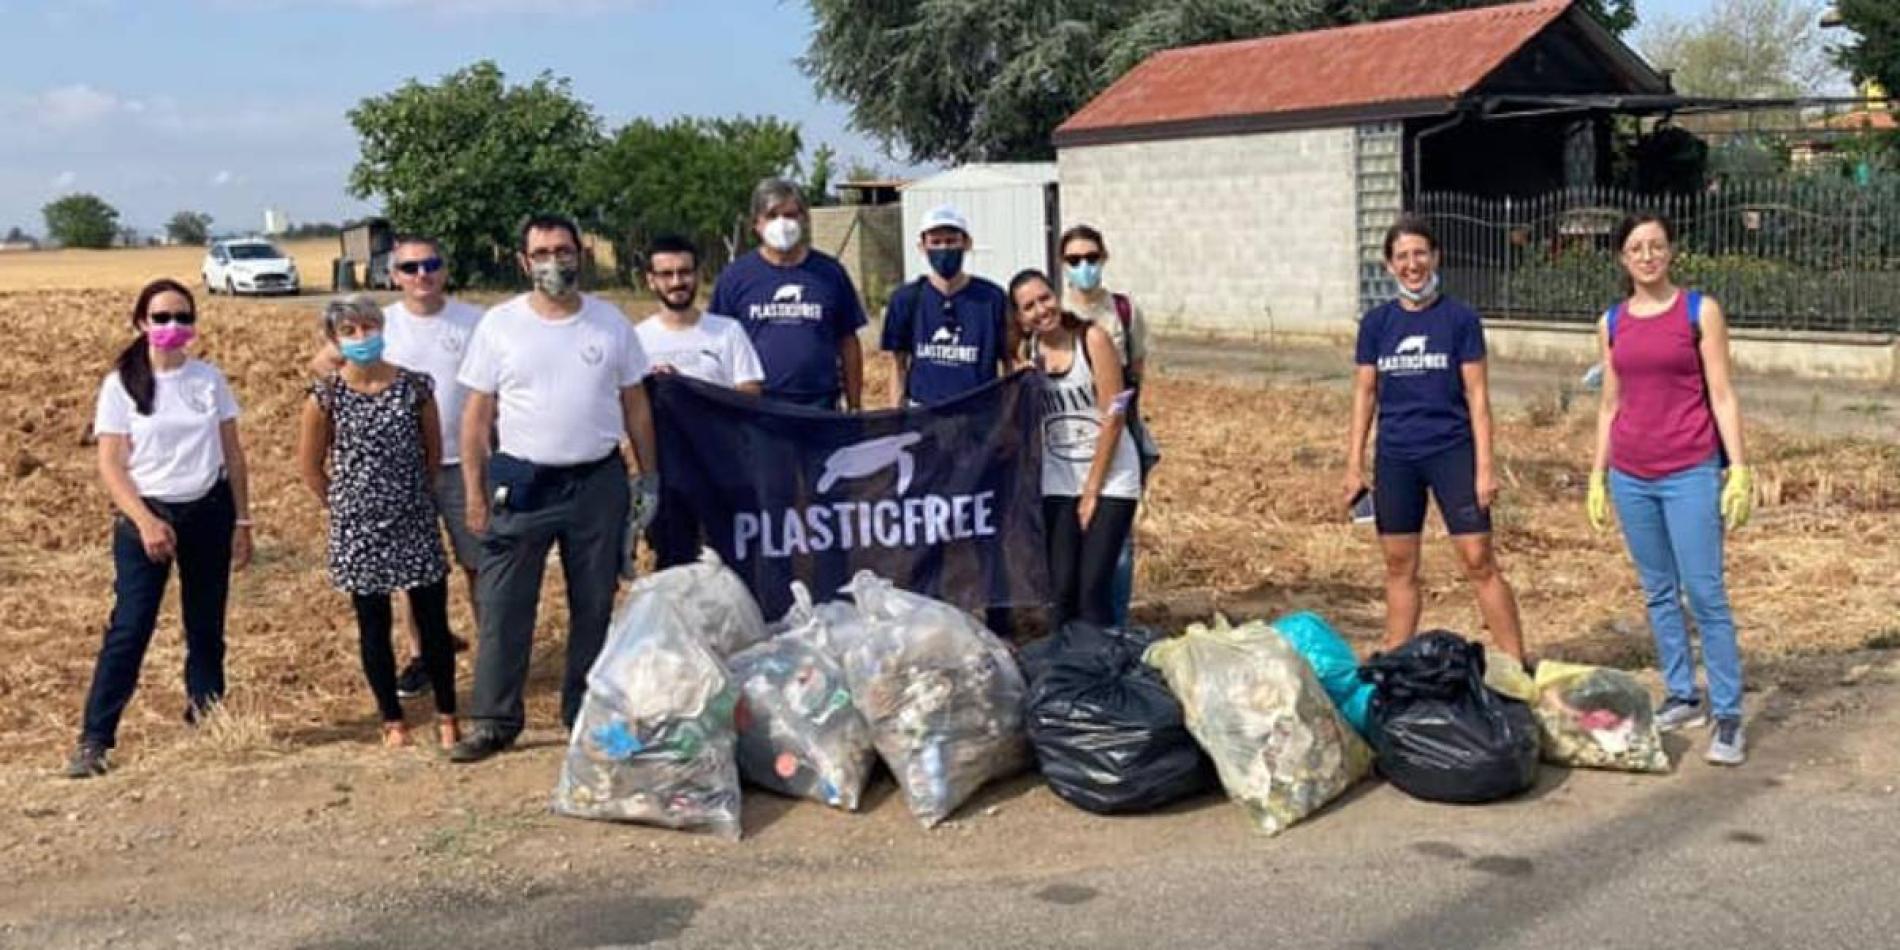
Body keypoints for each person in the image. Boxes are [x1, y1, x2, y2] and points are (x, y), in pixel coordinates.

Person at [450, 214, 659, 763]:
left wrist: (647, 476)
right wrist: (474, 491)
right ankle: (494, 721)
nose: (553, 262)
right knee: (503, 606)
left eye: (562, 251)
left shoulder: (610, 323)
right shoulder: (499, 325)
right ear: (523, 262)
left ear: (580, 255)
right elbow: (475, 418)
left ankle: (583, 711)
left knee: (594, 603)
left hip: (597, 481)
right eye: (541, 253)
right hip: (522, 483)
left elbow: (635, 404)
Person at [69, 279, 253, 778]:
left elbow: (232, 454)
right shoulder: (121, 384)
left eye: (183, 318)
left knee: (206, 623)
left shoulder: (209, 380)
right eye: (162, 318)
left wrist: (242, 519)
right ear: (141, 323)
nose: (173, 327)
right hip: (146, 517)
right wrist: (145, 520)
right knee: (130, 627)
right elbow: (111, 464)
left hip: (207, 512)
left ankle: (208, 715)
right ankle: (95, 739)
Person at [1587, 212, 1751, 766]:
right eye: (1637, 247)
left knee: (1705, 595)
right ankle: (1683, 694)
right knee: (1659, 593)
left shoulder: (1698, 311)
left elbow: (1723, 394)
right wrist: (1596, 472)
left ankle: (1728, 714)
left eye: (1657, 245)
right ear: (1622, 258)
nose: (1648, 255)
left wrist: (1739, 467)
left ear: (1670, 252)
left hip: (1689, 469)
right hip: (1632, 474)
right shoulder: (1611, 320)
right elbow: (1610, 402)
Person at [1343, 216, 1525, 662]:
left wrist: (1484, 468)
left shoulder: (1460, 319)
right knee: (1400, 565)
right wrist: (1353, 465)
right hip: (1396, 457)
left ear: (1436, 257)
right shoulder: (1377, 324)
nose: (1412, 264)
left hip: (1451, 451)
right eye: (1402, 256)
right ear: (1389, 266)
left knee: (1478, 558)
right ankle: (1396, 661)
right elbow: (1365, 394)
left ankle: (1518, 664)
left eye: (1420, 254)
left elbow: (1478, 397)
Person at [311, 235, 483, 701]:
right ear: (395, 275)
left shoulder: (476, 321)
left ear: (444, 268)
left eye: (431, 264)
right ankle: (421, 656)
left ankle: (492, 656)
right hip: (402, 476)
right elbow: (324, 366)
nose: (421, 275)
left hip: (466, 464)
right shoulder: (378, 323)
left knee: (477, 563)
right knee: (413, 574)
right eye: (410, 268)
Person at [296, 296, 460, 749]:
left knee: (432, 620)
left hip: (413, 518)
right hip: (357, 528)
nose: (362, 337)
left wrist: (414, 496)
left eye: (369, 327)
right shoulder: (325, 397)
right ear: (333, 341)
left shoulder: (415, 387)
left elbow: (431, 452)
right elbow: (310, 466)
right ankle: (392, 718)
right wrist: (344, 505)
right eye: (350, 331)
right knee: (373, 624)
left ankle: (448, 713)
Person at [1008, 269, 1140, 628]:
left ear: (1057, 296)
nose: (1041, 310)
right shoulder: (1029, 356)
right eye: (1029, 306)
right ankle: (1068, 669)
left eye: (1045, 298)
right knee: (1061, 591)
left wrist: (1092, 492)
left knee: (1092, 588)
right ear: (1020, 317)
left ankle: (1099, 671)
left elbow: (1114, 415)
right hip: (1059, 479)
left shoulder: (1091, 339)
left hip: (1110, 477)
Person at [635, 233, 764, 567]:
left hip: (725, 471)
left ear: (698, 275)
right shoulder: (636, 340)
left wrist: (691, 391)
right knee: (675, 568)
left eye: (685, 272)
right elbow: (628, 407)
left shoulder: (727, 331)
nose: (677, 281)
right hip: (668, 477)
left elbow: (750, 395)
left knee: (733, 565)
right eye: (666, 274)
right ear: (651, 280)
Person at [1059, 224, 1154, 625]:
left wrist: (1121, 424)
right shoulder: (1053, 310)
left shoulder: (1123, 312)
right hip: (1064, 445)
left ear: (1104, 258)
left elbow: (1136, 373)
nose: (1084, 267)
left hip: (1116, 438)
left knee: (1117, 545)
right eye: (1074, 260)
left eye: (1091, 258)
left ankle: (1113, 626)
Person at [709, 177, 867, 410]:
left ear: (804, 219)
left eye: (791, 215)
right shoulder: (735, 277)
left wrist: (855, 405)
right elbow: (718, 344)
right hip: (757, 408)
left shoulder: (830, 273)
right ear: (756, 224)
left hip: (820, 406)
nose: (782, 223)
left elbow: (848, 341)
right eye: (772, 216)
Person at [880, 204, 1014, 407]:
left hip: (979, 418)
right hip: (925, 417)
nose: (943, 249)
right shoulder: (906, 299)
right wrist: (896, 419)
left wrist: (1008, 418)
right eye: (936, 242)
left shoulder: (992, 298)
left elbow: (1009, 362)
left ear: (967, 243)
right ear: (922, 247)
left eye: (951, 241)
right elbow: (898, 365)